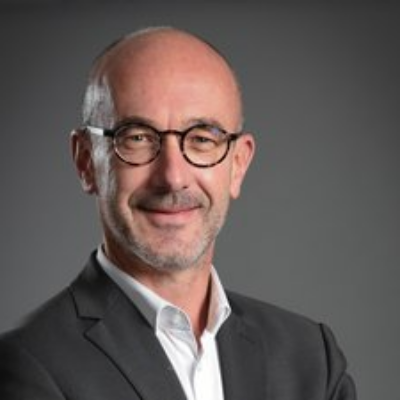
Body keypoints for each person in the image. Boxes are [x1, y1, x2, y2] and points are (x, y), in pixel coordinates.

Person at [0, 27, 356, 400]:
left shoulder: (311, 360)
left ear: (238, 165)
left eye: (202, 139)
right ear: (86, 161)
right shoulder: (28, 367)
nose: (173, 177)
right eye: (137, 138)